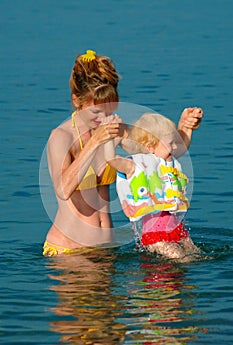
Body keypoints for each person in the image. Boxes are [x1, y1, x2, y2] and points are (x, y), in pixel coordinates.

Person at [42, 49, 203, 256]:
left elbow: (163, 153)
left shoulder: (113, 129)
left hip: (107, 250)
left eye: (108, 110)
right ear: (76, 101)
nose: (103, 118)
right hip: (69, 251)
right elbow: (63, 190)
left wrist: (185, 127)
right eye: (95, 111)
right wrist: (94, 144)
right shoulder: (61, 137)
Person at [104, 112, 201, 260]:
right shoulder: (135, 167)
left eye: (175, 142)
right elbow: (111, 160)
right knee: (181, 258)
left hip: (175, 228)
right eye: (170, 144)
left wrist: (188, 128)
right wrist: (110, 139)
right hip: (154, 235)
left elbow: (182, 147)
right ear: (150, 147)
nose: (175, 147)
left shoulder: (168, 163)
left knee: (197, 254)